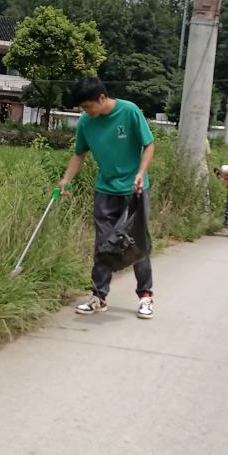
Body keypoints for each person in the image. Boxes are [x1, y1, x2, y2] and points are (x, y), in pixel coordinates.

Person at [58, 77, 157, 320]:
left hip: (134, 190)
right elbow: (79, 154)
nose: (86, 111)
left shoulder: (130, 111)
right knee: (103, 245)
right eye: (82, 108)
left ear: (102, 98)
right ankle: (98, 296)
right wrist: (66, 179)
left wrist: (140, 172)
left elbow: (149, 145)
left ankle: (145, 296)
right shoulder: (86, 123)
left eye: (88, 106)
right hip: (106, 190)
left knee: (136, 244)